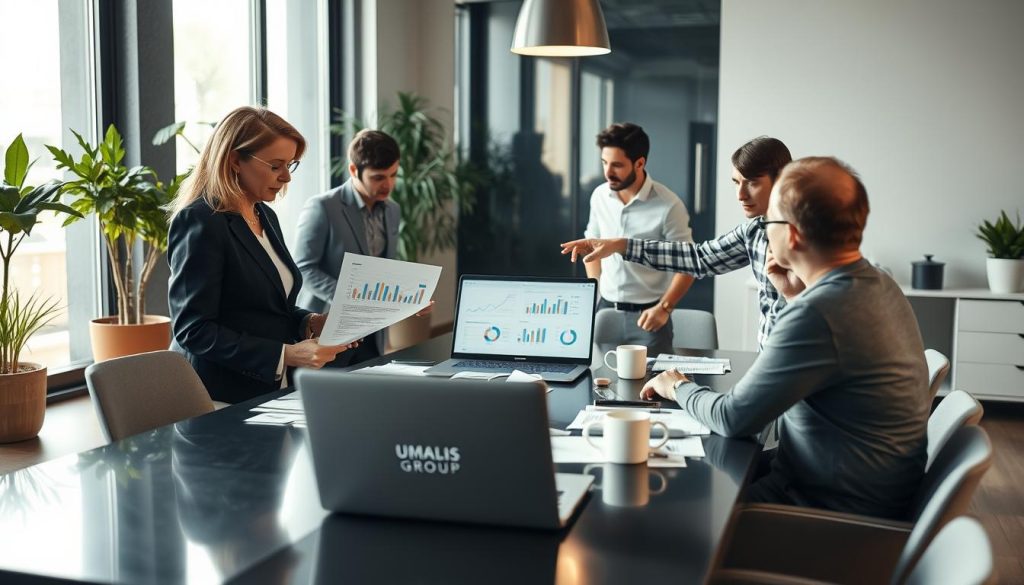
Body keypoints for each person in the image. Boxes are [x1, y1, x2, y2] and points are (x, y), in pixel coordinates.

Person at [641, 157, 929, 519]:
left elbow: (734, 419)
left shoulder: (818, 313)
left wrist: (675, 385)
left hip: (831, 514)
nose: (762, 228)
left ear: (791, 234)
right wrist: (795, 295)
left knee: (673, 511)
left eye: (768, 221)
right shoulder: (878, 282)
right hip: (865, 489)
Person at [167, 106, 355, 404]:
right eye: (275, 165)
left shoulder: (264, 215)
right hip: (216, 396)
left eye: (290, 165)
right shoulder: (201, 221)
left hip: (267, 389)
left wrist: (310, 322)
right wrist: (286, 354)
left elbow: (266, 307)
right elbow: (194, 329)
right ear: (234, 160)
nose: (286, 178)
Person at [563, 136, 792, 350]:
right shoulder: (753, 231)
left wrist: (664, 306)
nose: (740, 195)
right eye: (736, 182)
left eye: (751, 183)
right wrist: (620, 245)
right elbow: (698, 258)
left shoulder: (810, 235)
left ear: (782, 181)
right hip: (771, 359)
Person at [293, 129, 428, 367]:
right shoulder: (322, 207)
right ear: (354, 170)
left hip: (373, 334)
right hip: (328, 329)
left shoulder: (392, 210)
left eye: (393, 175)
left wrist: (410, 298)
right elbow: (304, 268)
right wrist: (351, 298)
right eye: (378, 177)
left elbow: (384, 268)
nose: (388, 185)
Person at [583, 123, 695, 356]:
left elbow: (689, 264)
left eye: (617, 165)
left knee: (649, 390)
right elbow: (591, 245)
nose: (608, 172)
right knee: (598, 385)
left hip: (649, 317)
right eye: (605, 163)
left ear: (640, 163)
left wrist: (665, 307)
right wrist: (596, 291)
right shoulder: (599, 196)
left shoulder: (669, 205)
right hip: (604, 312)